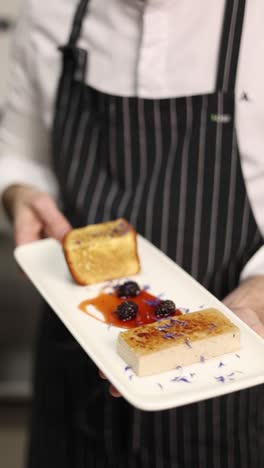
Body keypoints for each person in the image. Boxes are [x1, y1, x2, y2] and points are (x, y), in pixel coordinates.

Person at [1, 0, 264, 466]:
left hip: (231, 380)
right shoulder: (48, 11)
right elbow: (20, 152)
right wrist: (19, 192)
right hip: (75, 357)